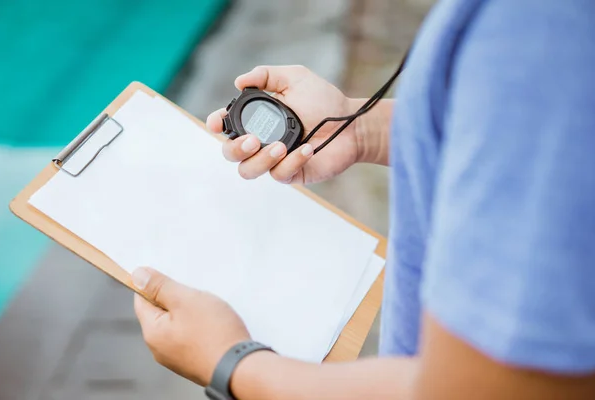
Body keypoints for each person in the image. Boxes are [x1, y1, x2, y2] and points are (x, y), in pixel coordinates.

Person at [131, 0, 595, 398]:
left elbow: (485, 390)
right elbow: (519, 139)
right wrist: (360, 127)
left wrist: (234, 366)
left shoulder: (538, 26)